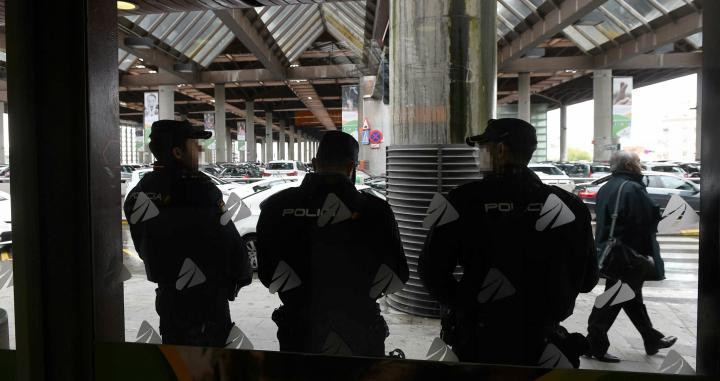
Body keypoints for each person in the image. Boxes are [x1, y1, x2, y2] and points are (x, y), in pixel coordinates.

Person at [419, 118, 599, 367]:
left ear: (500, 150)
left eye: (483, 148)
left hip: (480, 342)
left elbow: (431, 271)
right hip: (542, 342)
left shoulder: (461, 201)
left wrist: (467, 306)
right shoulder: (569, 204)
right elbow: (589, 280)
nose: (479, 155)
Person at [256, 131, 408, 357]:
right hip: (360, 332)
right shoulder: (376, 211)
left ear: (315, 163)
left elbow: (268, 274)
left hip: (298, 333)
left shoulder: (276, 206)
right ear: (351, 168)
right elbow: (398, 274)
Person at [124, 120, 252, 346]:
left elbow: (144, 248)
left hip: (170, 301)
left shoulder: (138, 193)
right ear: (177, 152)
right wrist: (240, 276)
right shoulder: (200, 190)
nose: (200, 149)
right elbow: (229, 241)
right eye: (195, 144)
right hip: (206, 303)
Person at [586, 151, 676, 362]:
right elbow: (643, 223)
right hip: (628, 257)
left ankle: (651, 338)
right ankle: (594, 344)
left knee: (631, 299)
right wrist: (647, 257)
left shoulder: (607, 187)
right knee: (613, 301)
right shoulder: (632, 188)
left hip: (613, 253)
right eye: (637, 162)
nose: (640, 164)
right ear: (628, 166)